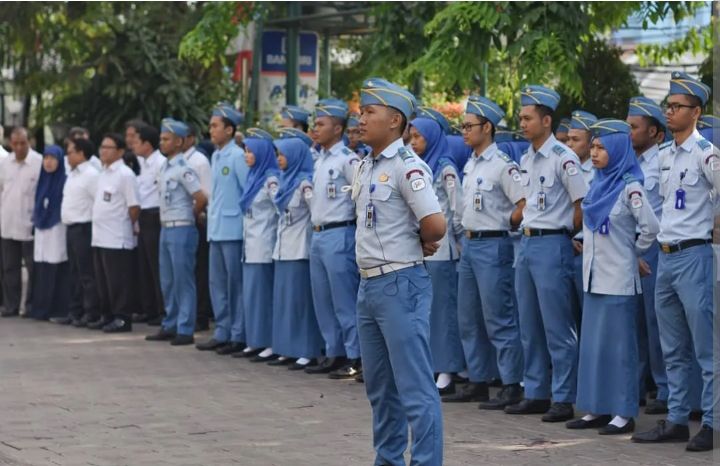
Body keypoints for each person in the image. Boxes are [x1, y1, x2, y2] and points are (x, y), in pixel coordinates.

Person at [353, 78, 446, 466]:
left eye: (369, 112)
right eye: (360, 111)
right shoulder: (365, 164)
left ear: (394, 120)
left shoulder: (408, 166)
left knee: (415, 387)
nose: (360, 118)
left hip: (400, 283)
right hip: (370, 286)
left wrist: (419, 242)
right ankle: (387, 460)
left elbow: (436, 224)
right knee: (380, 389)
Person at [632, 72, 719, 452]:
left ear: (696, 112)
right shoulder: (664, 155)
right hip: (666, 258)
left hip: (695, 255)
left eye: (677, 107)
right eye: (668, 105)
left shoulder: (707, 154)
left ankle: (712, 424)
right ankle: (678, 419)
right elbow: (659, 209)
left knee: (706, 347)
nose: (669, 111)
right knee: (673, 347)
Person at [567, 119, 660, 435]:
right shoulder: (597, 183)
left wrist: (634, 254)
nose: (594, 153)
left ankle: (622, 412)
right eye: (592, 146)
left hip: (618, 280)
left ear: (619, 149)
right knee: (594, 347)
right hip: (593, 278)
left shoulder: (629, 186)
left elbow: (650, 227)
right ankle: (596, 408)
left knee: (620, 349)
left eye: (601, 147)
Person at [505, 85, 589, 422]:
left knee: (558, 325)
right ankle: (536, 392)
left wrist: (566, 234)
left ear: (547, 120)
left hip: (553, 243)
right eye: (521, 117)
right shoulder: (526, 157)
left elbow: (581, 205)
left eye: (528, 118)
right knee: (528, 323)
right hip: (526, 244)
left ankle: (564, 397)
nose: (522, 123)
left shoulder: (564, 158)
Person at [443, 96, 525, 408]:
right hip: (471, 246)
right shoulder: (471, 163)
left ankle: (510, 383)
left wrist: (505, 223)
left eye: (469, 126)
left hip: (494, 244)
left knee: (499, 317)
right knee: (469, 317)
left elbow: (524, 204)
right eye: (462, 126)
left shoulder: (503, 166)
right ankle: (478, 379)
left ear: (487, 128)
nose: (463, 131)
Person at [303, 98, 362, 378]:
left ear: (338, 129)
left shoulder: (348, 160)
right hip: (318, 234)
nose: (315, 129)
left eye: (321, 124)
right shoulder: (319, 160)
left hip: (340, 232)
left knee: (344, 300)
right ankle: (333, 351)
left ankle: (355, 355)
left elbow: (361, 196)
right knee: (323, 300)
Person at [407, 113, 465, 396]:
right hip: (421, 250)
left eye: (419, 137)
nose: (414, 142)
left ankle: (447, 369)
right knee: (424, 312)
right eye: (412, 137)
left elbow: (456, 209)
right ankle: (429, 365)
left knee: (442, 313)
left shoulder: (445, 168)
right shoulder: (418, 167)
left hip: (443, 251)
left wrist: (457, 238)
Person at [146, 119, 207, 346]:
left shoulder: (184, 169)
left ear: (180, 142)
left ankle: (185, 328)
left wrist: (191, 215)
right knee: (168, 280)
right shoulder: (165, 167)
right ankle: (169, 324)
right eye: (161, 139)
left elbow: (200, 197)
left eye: (166, 139)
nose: (161, 143)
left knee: (183, 280)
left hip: (182, 227)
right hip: (166, 227)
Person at [626, 95, 669, 415]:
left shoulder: (664, 161)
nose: (629, 133)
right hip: (632, 248)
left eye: (634, 127)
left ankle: (665, 389)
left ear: (655, 133)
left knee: (658, 323)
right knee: (635, 321)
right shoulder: (630, 163)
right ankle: (639, 385)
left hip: (656, 248)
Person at [195, 103, 250, 355]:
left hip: (233, 229)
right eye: (210, 126)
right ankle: (222, 330)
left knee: (234, 284)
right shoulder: (216, 156)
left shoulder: (237, 156)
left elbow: (246, 193)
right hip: (216, 228)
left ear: (229, 130)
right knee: (217, 283)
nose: (211, 130)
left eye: (215, 126)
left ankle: (237, 334)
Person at [270, 137, 324, 370]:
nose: (279, 159)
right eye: (278, 155)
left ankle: (306, 349)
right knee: (285, 302)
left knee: (300, 303)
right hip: (283, 248)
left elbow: (317, 213)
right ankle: (288, 348)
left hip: (299, 248)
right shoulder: (283, 181)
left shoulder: (304, 183)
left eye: (283, 154)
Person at [233, 128, 280, 361]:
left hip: (264, 244)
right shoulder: (253, 176)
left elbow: (281, 209)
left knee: (264, 297)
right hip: (250, 245)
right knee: (252, 296)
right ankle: (255, 340)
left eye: (250, 151)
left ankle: (270, 342)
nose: (246, 155)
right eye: (245, 151)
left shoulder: (270, 178)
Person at [90, 133, 140, 332]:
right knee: (103, 282)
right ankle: (107, 315)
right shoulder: (102, 173)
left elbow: (134, 207)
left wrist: (126, 225)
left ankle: (122, 318)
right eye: (102, 146)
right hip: (100, 236)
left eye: (108, 147)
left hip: (117, 237)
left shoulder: (125, 174)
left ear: (120, 151)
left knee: (118, 282)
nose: (103, 151)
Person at [57, 137, 101, 327]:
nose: (67, 156)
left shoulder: (91, 174)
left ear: (81, 153)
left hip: (84, 228)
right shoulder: (73, 174)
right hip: (71, 228)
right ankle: (74, 312)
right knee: (74, 272)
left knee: (86, 273)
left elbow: (98, 202)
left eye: (70, 152)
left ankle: (90, 312)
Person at [0, 127, 42, 318]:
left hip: (29, 224)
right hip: (7, 223)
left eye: (22, 143)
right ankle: (11, 306)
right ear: (10, 143)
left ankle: (31, 306)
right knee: (9, 268)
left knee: (33, 268)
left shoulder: (38, 162)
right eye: (15, 143)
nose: (18, 147)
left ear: (29, 142)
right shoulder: (4, 162)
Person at [29, 144, 70, 320]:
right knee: (41, 266)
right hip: (41, 227)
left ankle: (57, 309)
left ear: (60, 161)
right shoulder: (42, 180)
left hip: (57, 226)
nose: (48, 162)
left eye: (52, 158)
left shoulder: (65, 180)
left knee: (55, 266)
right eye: (46, 158)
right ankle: (39, 308)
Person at [566, 110, 597, 325]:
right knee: (566, 317)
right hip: (564, 245)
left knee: (587, 316)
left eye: (576, 140)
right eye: (568, 139)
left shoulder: (597, 173)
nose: (569, 144)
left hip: (586, 250)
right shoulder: (564, 166)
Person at [182, 123, 213, 331]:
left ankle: (201, 315)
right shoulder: (175, 161)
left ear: (191, 138)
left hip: (198, 219)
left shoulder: (199, 160)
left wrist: (195, 213)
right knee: (185, 272)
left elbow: (206, 193)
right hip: (180, 221)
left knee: (199, 270)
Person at [133, 125, 165, 325]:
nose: (133, 145)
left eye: (137, 141)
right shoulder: (143, 163)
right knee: (144, 266)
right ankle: (150, 309)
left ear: (147, 144)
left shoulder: (160, 163)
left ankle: (162, 311)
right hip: (144, 216)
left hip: (155, 215)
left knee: (156, 266)